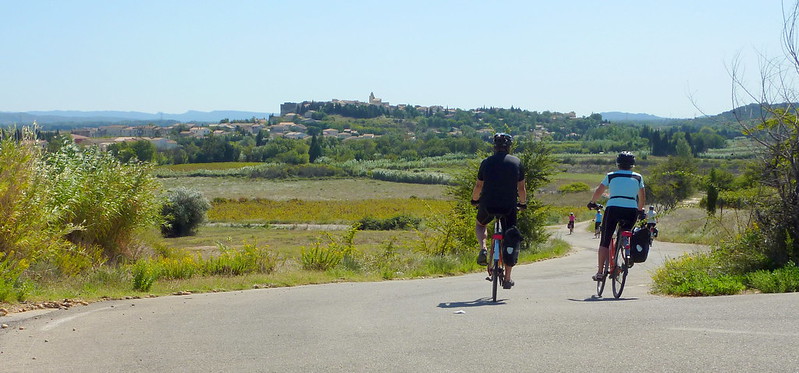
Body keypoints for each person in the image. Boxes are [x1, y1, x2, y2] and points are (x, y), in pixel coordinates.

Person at [471, 133, 527, 289]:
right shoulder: (516, 162)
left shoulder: (486, 162)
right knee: (510, 237)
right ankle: (508, 278)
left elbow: (478, 186)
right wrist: (522, 204)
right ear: (509, 147)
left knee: (480, 224)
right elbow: (521, 188)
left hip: (488, 205)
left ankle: (483, 248)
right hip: (509, 207)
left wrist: (474, 200)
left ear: (494, 147)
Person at [587, 151, 646, 281]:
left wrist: (593, 202)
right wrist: (640, 209)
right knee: (625, 232)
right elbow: (642, 196)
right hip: (631, 209)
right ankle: (626, 250)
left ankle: (600, 272)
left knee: (605, 240)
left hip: (613, 208)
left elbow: (599, 190)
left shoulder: (611, 176)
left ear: (618, 163)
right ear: (632, 165)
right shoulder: (638, 177)